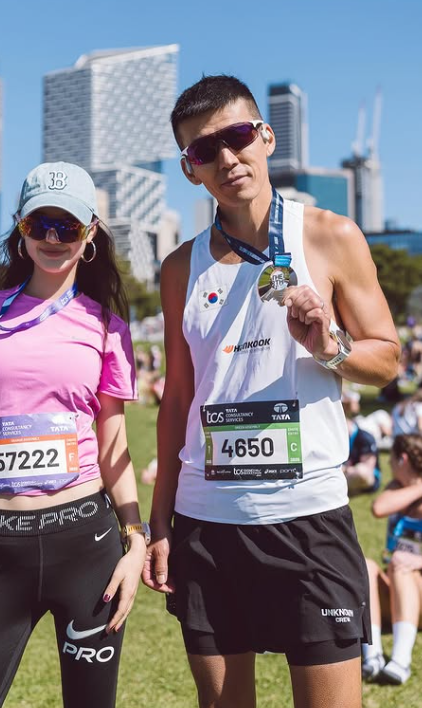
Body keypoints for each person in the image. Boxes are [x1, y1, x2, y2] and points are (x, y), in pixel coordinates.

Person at [142, 75, 400, 708]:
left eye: (237, 136)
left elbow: (388, 361)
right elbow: (178, 399)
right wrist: (160, 521)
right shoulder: (179, 267)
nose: (227, 158)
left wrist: (329, 346)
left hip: (308, 517)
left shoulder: (331, 236)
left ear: (266, 136)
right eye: (205, 150)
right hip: (207, 521)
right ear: (189, 169)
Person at [0, 161, 147, 708]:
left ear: (89, 233)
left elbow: (114, 445)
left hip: (86, 544)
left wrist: (136, 540)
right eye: (39, 224)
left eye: (67, 226)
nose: (53, 238)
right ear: (21, 229)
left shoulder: (106, 326)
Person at [363, 434, 422, 684]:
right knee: (366, 566)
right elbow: (379, 508)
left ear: (402, 459)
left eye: (391, 460)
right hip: (399, 588)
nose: (388, 465)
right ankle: (372, 656)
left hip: (415, 584)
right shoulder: (398, 488)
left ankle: (400, 661)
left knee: (400, 563)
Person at [342, 394, 381, 494]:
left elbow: (367, 468)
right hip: (345, 473)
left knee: (360, 471)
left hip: (363, 476)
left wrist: (346, 469)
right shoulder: (335, 437)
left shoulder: (365, 437)